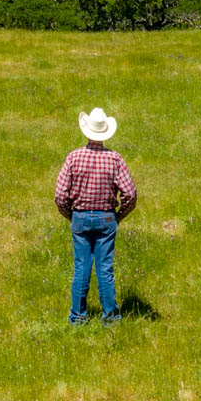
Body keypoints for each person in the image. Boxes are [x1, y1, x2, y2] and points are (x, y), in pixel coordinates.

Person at [54, 107, 137, 324]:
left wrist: (70, 216)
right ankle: (110, 316)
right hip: (106, 218)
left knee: (81, 267)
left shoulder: (73, 157)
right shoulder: (115, 159)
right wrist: (118, 216)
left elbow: (60, 195)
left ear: (87, 131)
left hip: (80, 217)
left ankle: (78, 316)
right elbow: (130, 193)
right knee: (104, 269)